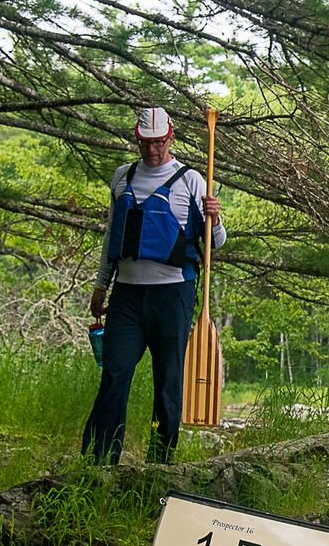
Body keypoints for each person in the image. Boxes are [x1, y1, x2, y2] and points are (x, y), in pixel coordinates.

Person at [81, 107, 224, 465]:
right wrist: (101, 285)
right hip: (126, 295)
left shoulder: (191, 179)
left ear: (170, 138)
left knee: (167, 383)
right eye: (145, 143)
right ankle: (100, 462)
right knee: (115, 375)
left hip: (172, 295)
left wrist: (215, 217)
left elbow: (216, 243)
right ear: (137, 140)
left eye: (159, 143)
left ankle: (159, 463)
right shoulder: (121, 176)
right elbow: (110, 237)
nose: (152, 151)